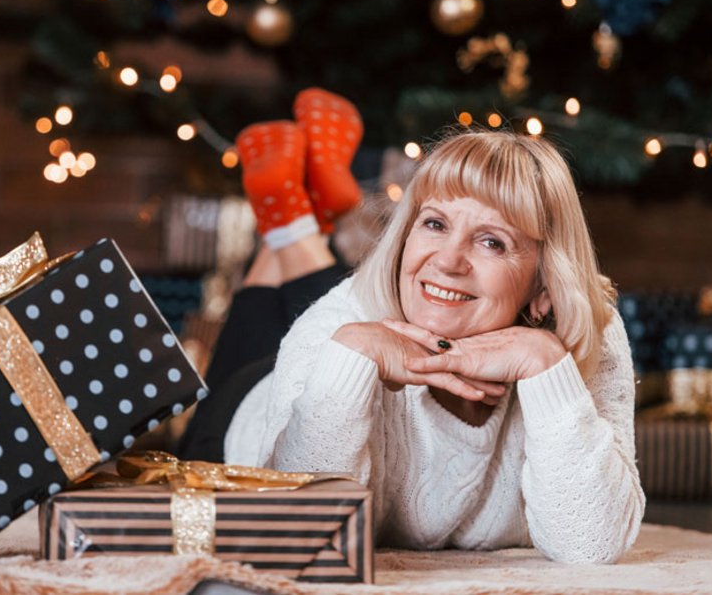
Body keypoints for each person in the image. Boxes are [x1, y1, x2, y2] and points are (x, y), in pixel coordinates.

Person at [179, 87, 645, 565]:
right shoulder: (336, 328)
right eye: (435, 224)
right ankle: (292, 219)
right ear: (406, 234)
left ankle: (294, 215)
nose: (447, 260)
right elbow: (303, 538)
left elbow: (593, 545)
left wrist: (547, 364)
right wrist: (350, 357)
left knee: (291, 291)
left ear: (544, 287)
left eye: (491, 242)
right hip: (242, 415)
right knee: (306, 328)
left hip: (333, 330)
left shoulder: (589, 331)